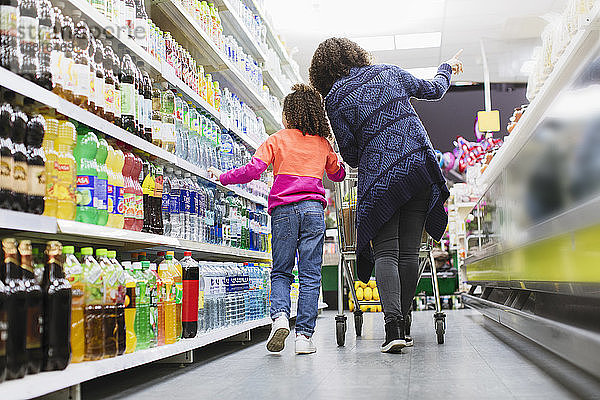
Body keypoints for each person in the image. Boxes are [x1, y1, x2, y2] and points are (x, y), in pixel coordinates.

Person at [309, 37, 462, 353]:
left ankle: (392, 328)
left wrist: (372, 145)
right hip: (418, 164)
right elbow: (434, 89)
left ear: (321, 73)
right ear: (354, 53)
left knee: (386, 253)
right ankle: (403, 323)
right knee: (409, 253)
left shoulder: (335, 100)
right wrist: (446, 69)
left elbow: (351, 154)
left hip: (380, 178)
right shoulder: (388, 71)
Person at [209, 84, 346, 354]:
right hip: (313, 211)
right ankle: (304, 338)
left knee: (282, 271)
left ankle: (281, 317)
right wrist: (337, 161)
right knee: (310, 275)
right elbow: (337, 175)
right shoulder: (322, 143)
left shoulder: (277, 139)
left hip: (284, 211)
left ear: (290, 114)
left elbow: (253, 170)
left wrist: (223, 176)